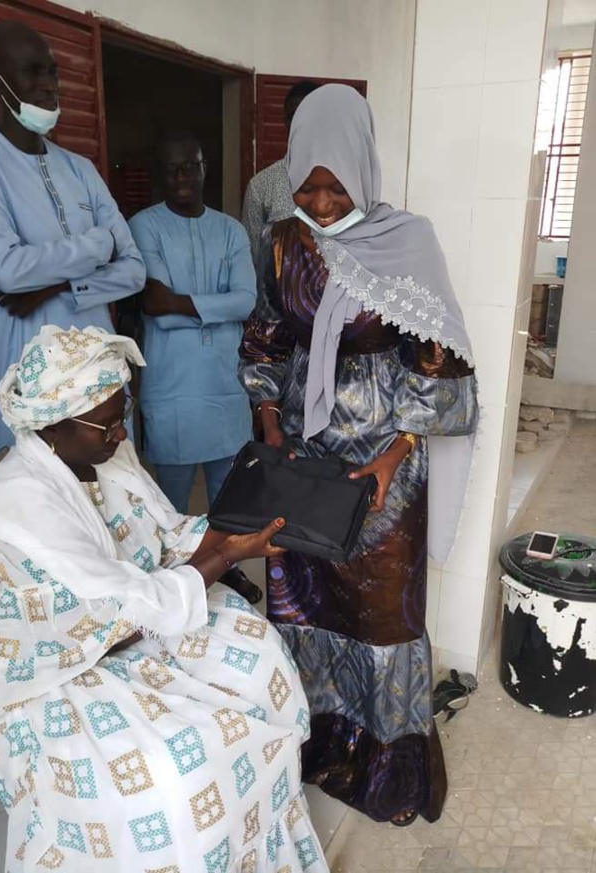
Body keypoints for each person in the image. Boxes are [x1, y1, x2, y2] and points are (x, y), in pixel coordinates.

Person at [0, 325, 329, 873]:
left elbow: (162, 533)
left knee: (262, 658)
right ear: (55, 424)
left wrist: (233, 530)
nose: (121, 435)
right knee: (170, 775)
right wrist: (224, 558)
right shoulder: (16, 504)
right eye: (108, 424)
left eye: (122, 416)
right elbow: (111, 609)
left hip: (141, 616)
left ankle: (256, 848)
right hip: (52, 658)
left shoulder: (101, 455)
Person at [239, 85, 479, 827]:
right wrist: (269, 416)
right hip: (308, 457)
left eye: (335, 184)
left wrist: (395, 453)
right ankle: (316, 748)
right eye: (307, 181)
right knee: (302, 599)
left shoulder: (408, 240)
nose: (320, 198)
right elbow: (268, 333)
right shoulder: (285, 240)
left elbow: (439, 362)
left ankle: (390, 775)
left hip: (384, 467)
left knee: (383, 614)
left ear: (364, 172)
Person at [0, 21, 145, 452]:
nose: (48, 85)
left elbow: (134, 272)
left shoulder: (81, 168)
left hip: (99, 365)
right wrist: (99, 245)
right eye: (32, 72)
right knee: (40, 499)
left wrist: (60, 285)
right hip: (26, 370)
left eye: (52, 71)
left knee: (114, 499)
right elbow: (11, 271)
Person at [129, 131, 262, 604]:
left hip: (225, 383)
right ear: (159, 175)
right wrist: (208, 305)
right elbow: (154, 306)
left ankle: (226, 570)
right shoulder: (143, 226)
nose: (183, 176)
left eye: (192, 166)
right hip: (172, 384)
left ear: (205, 169)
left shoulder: (230, 231)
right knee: (170, 501)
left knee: (230, 495)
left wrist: (180, 302)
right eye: (172, 168)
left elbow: (245, 301)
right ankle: (174, 583)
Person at [242, 81, 320, 267]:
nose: (301, 123)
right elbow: (250, 257)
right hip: (276, 294)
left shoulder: (346, 184)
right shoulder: (261, 185)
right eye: (294, 116)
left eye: (309, 115)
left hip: (333, 294)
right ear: (285, 122)